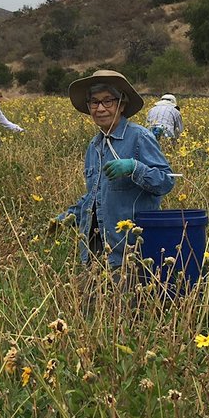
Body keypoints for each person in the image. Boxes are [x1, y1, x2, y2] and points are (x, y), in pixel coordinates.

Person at [54, 70, 174, 269]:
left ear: (121, 104)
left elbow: (166, 181)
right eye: (94, 102)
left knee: (127, 299)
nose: (100, 108)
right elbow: (94, 195)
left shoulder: (139, 137)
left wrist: (134, 167)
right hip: (95, 251)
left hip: (130, 252)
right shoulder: (94, 146)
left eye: (108, 101)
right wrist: (67, 218)